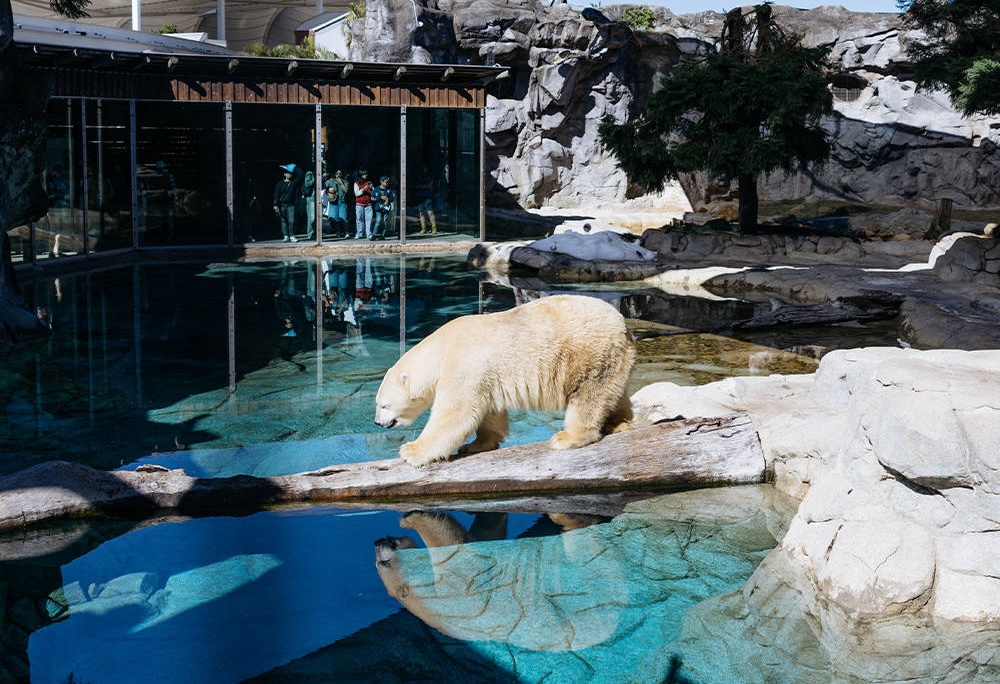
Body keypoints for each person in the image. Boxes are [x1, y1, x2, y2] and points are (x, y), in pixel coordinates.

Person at [273, 163, 299, 242]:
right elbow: (276, 194)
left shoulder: (293, 183)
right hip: (282, 205)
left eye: (291, 173)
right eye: (288, 173)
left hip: (291, 205)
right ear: (284, 174)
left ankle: (291, 236)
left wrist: (294, 167)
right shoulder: (279, 184)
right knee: (283, 221)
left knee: (292, 221)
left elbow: (300, 175)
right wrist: (275, 205)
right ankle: (286, 236)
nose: (290, 174)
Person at [322, 170, 350, 238]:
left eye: (340, 173)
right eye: (337, 173)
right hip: (334, 202)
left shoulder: (345, 181)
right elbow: (324, 186)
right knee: (336, 218)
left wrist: (341, 182)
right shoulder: (330, 181)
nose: (338, 175)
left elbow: (346, 190)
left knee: (344, 218)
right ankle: (338, 232)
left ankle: (346, 232)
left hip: (342, 201)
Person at [413, 164, 438, 234]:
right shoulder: (418, 176)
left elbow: (431, 184)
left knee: (430, 212)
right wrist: (426, 186)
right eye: (422, 168)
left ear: (427, 169)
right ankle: (423, 228)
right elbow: (417, 186)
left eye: (425, 168)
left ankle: (434, 227)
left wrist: (424, 186)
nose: (423, 169)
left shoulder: (430, 176)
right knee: (421, 213)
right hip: (420, 196)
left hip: (428, 196)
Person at [370, 175, 396, 240]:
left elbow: (392, 198)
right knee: (378, 221)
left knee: (385, 221)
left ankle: (383, 235)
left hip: (386, 208)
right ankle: (374, 235)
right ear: (381, 182)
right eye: (385, 182)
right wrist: (380, 197)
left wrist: (387, 199)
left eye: (387, 182)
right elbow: (372, 198)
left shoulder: (388, 190)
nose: (386, 183)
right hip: (378, 208)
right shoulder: (376, 189)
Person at [353, 169, 374, 239]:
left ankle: (369, 234)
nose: (366, 175)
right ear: (361, 176)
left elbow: (373, 194)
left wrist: (371, 189)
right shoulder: (356, 183)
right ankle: (359, 233)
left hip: (368, 204)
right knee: (359, 219)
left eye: (366, 174)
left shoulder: (369, 183)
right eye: (364, 174)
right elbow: (357, 194)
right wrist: (363, 189)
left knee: (369, 219)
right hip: (359, 204)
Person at [301, 169, 317, 240]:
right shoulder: (309, 173)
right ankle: (310, 234)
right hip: (311, 197)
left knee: (317, 217)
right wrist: (316, 179)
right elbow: (307, 184)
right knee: (312, 217)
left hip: (319, 197)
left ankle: (315, 234)